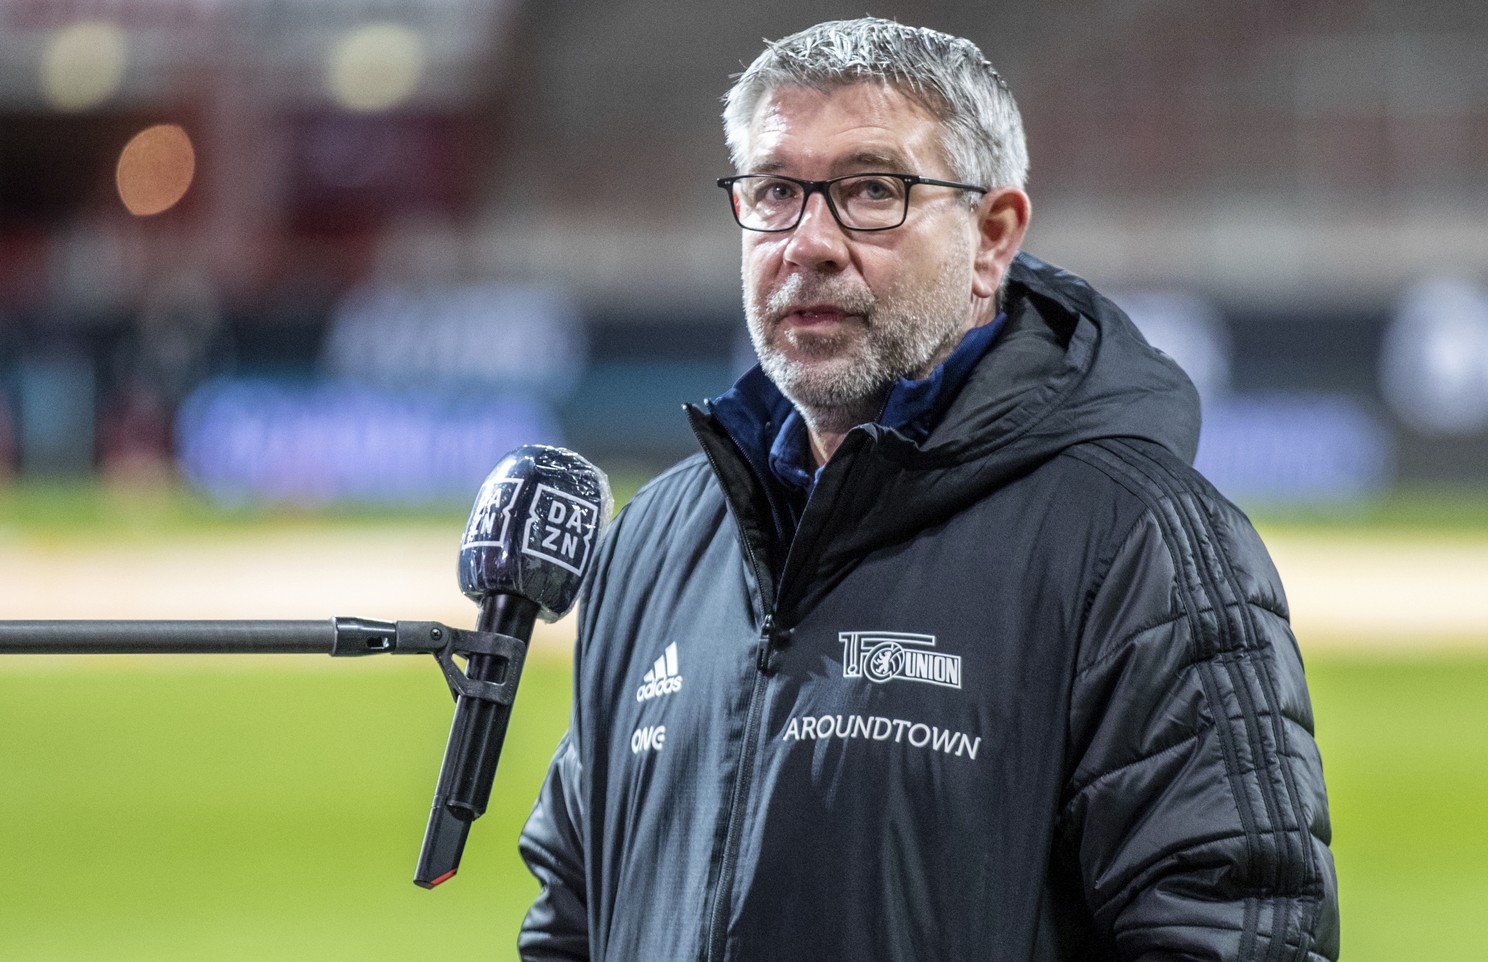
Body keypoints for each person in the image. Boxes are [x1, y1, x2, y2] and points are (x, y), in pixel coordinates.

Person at [519, 17, 1339, 962]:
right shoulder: (651, 542)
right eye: (777, 191)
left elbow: (1235, 934)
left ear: (992, 236)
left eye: (872, 191)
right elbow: (576, 917)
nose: (809, 242)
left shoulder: (1139, 542)